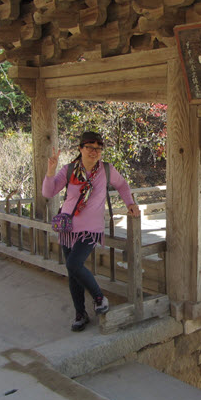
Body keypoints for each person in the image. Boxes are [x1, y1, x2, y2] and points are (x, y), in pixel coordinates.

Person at [43, 131, 140, 332]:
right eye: (89, 147)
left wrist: (130, 203)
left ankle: (98, 297)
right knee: (73, 272)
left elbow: (122, 185)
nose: (94, 151)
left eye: (98, 148)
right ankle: (80, 313)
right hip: (68, 228)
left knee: (73, 263)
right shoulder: (68, 170)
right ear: (80, 148)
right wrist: (50, 171)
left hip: (91, 229)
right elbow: (48, 192)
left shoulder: (106, 169)